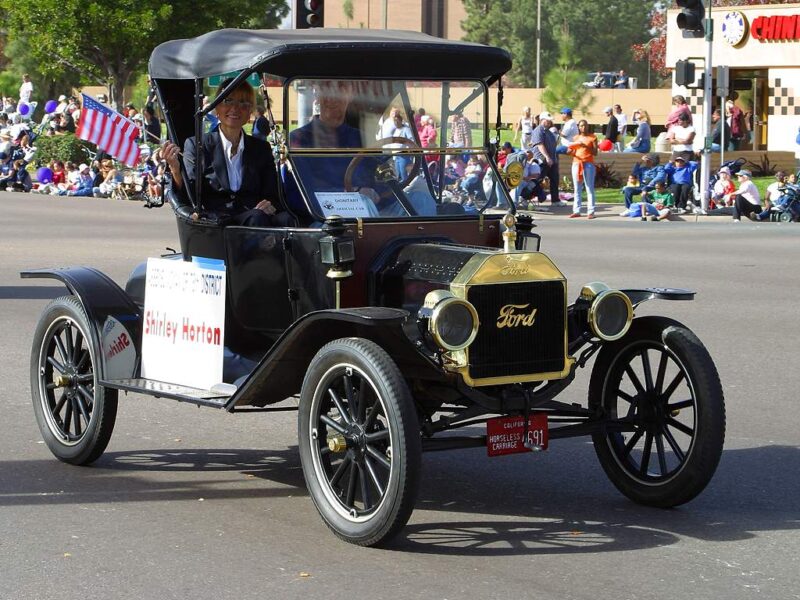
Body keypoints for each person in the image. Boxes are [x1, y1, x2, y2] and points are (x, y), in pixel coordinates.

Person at [162, 78, 283, 227]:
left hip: (254, 219)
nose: (235, 108)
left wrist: (269, 204)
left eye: (243, 103)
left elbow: (272, 193)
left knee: (285, 220)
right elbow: (189, 195)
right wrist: (175, 169)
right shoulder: (197, 145)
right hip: (216, 223)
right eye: (228, 101)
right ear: (216, 108)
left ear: (250, 112)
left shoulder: (261, 148)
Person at [566, 119, 597, 219]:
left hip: (588, 164)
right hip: (577, 163)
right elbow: (571, 151)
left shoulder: (593, 137)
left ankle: (591, 211)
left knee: (589, 187)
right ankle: (576, 210)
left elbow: (595, 152)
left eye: (585, 125)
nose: (583, 127)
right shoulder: (576, 138)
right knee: (577, 188)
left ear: (588, 126)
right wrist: (570, 150)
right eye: (581, 126)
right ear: (578, 127)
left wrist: (586, 147)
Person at [531, 111, 562, 206]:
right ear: (542, 120)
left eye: (549, 121)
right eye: (547, 120)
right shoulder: (538, 130)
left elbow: (553, 145)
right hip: (542, 160)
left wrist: (553, 159)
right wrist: (547, 157)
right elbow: (540, 145)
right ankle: (526, 196)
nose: (549, 122)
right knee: (537, 179)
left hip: (552, 160)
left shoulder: (548, 132)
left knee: (554, 179)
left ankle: (555, 200)